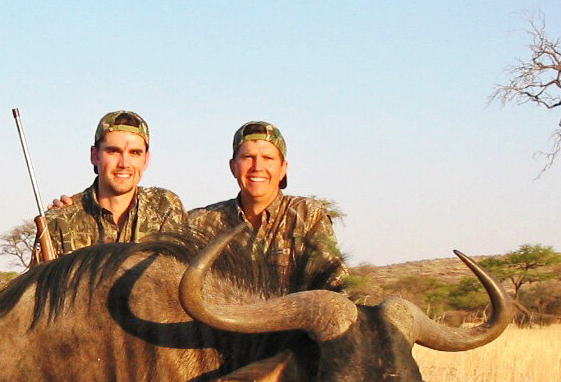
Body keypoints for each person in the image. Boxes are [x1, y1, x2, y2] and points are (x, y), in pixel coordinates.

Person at [188, 121, 348, 295]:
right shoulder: (200, 222)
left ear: (283, 169)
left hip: (292, 321)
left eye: (268, 158)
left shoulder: (308, 215)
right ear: (233, 167)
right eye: (248, 157)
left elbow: (335, 291)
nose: (257, 167)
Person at [31, 110, 187, 264]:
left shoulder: (165, 207)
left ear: (146, 159)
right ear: (95, 155)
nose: (124, 164)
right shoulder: (60, 221)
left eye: (135, 153)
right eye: (113, 151)